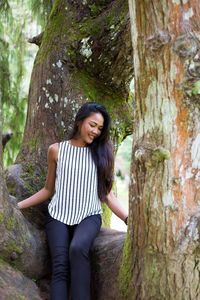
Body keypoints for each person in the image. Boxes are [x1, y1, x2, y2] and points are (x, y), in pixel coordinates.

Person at [18, 102, 128, 300]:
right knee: (60, 265)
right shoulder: (56, 150)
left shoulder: (102, 154)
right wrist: (17, 206)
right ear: (80, 122)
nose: (95, 131)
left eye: (100, 128)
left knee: (77, 249)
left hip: (89, 215)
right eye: (92, 125)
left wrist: (128, 218)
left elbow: (107, 195)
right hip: (58, 215)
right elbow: (47, 190)